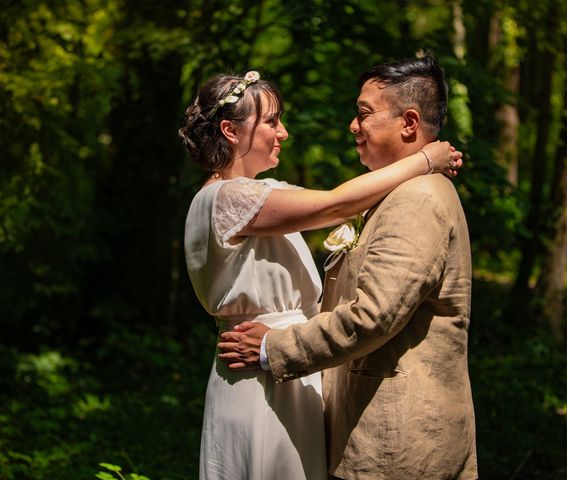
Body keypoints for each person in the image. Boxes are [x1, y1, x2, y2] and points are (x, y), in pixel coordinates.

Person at [179, 70, 462, 480]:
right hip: (259, 369)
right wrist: (424, 160)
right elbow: (334, 204)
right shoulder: (227, 198)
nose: (284, 133)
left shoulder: (261, 193)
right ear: (230, 130)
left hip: (288, 368)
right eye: (272, 121)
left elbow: (344, 199)